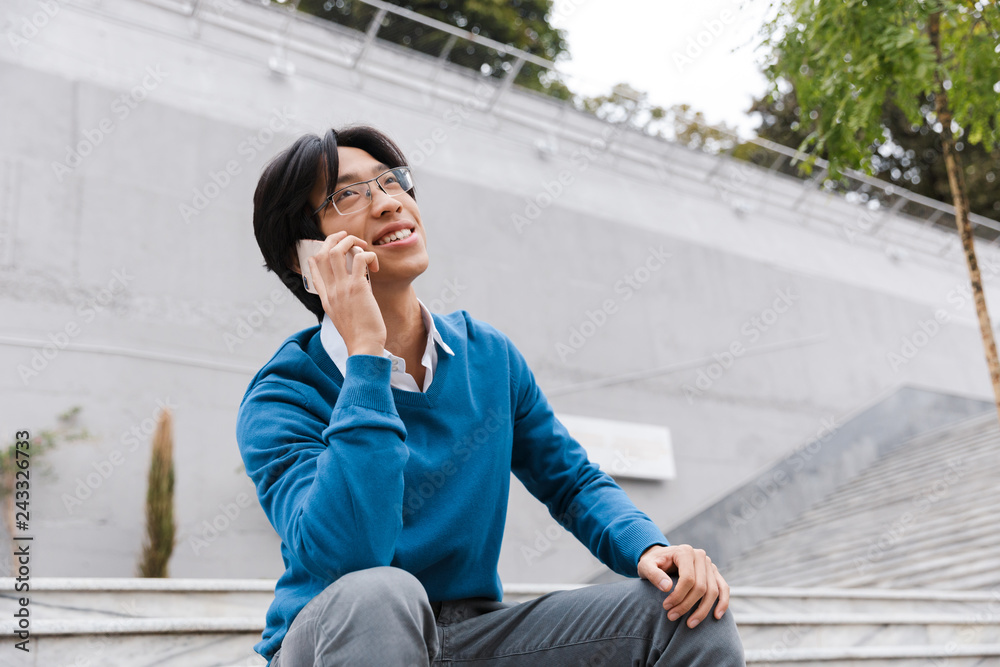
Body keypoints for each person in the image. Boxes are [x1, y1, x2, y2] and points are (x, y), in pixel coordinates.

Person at [236, 124, 745, 666]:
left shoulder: (487, 356)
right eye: (348, 194)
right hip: (338, 635)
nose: (387, 204)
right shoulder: (282, 396)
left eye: (391, 182)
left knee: (686, 612)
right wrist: (366, 357)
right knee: (383, 590)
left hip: (471, 635)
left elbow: (570, 481)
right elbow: (350, 554)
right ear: (303, 256)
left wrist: (648, 546)